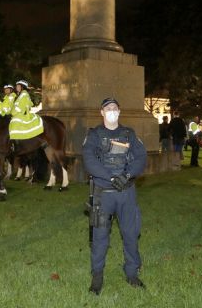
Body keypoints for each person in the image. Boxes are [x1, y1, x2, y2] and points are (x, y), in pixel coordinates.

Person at [82, 98, 147, 295]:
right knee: (100, 237)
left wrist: (127, 175)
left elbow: (141, 157)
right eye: (108, 109)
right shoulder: (94, 135)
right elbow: (89, 159)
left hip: (126, 194)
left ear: (120, 111)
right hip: (103, 195)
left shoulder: (129, 134)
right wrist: (110, 177)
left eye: (115, 108)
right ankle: (97, 276)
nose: (112, 111)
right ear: (101, 112)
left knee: (130, 233)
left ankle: (132, 272)